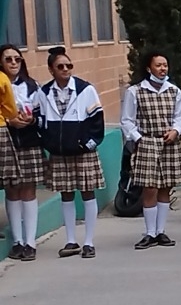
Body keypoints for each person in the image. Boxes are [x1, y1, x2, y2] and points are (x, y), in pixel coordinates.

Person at [38, 47, 106, 260]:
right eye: (60, 66)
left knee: (87, 192)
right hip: (59, 153)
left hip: (82, 151)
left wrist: (88, 144)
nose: (66, 69)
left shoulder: (86, 90)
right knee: (66, 194)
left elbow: (97, 121)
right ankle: (70, 240)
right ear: (51, 70)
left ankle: (89, 242)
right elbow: (40, 121)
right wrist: (49, 143)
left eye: (69, 65)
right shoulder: (44, 92)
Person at [121, 52, 181, 250]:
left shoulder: (174, 91)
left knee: (165, 187)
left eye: (165, 65)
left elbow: (180, 117)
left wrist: (176, 131)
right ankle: (149, 232)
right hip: (147, 142)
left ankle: (160, 231)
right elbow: (127, 120)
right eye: (158, 65)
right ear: (149, 68)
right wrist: (138, 138)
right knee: (149, 188)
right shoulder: (135, 91)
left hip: (168, 143)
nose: (163, 69)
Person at [0, 45, 40, 260]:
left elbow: (42, 113)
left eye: (17, 59)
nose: (14, 63)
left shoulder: (32, 86)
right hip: (6, 142)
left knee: (28, 190)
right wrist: (10, 121)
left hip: (28, 141)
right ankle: (17, 241)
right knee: (12, 189)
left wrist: (31, 120)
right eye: (8, 59)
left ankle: (30, 242)